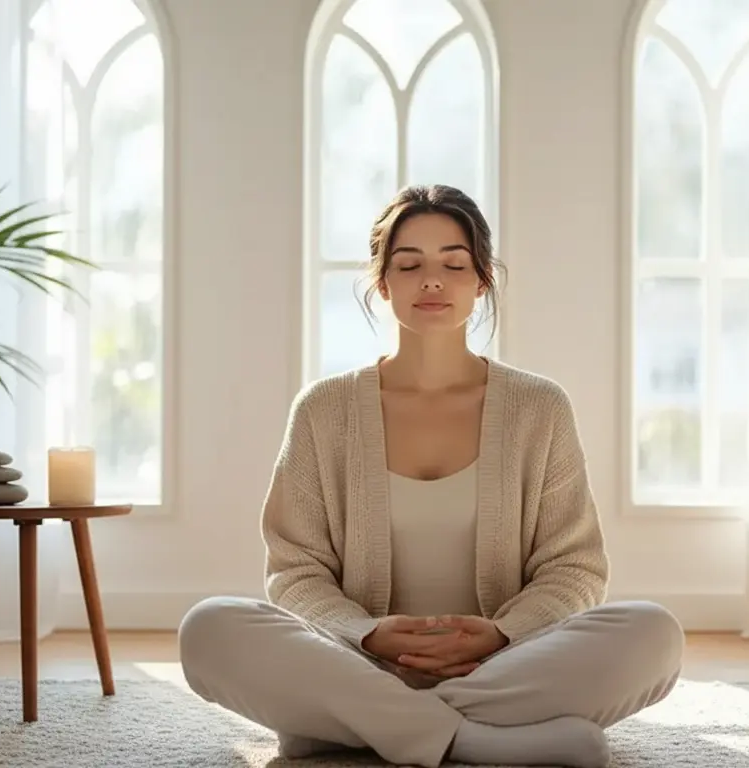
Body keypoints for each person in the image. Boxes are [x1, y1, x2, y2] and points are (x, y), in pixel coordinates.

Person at [178, 184, 684, 767]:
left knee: (654, 633)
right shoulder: (323, 408)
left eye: (454, 263)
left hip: (509, 664)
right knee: (210, 627)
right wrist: (367, 633)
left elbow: (573, 568)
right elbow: (296, 572)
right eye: (409, 263)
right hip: (356, 661)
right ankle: (473, 739)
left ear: (482, 280)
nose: (433, 280)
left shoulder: (539, 407)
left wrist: (501, 635)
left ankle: (354, 725)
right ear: (382, 282)